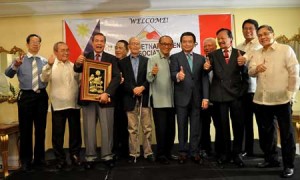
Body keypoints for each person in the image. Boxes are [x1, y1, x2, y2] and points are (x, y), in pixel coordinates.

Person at [249, 25, 299, 178]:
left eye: (265, 34)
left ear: (273, 34)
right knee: (265, 133)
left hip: (282, 99)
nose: (263, 37)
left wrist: (291, 95)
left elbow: (295, 73)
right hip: (261, 100)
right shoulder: (257, 53)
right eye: (260, 35)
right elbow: (250, 71)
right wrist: (257, 68)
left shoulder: (285, 50)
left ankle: (289, 165)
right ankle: (271, 159)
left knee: (286, 134)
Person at [74, 32, 120, 169]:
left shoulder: (111, 58)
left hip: (106, 100)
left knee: (107, 129)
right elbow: (77, 69)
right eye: (97, 41)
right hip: (88, 101)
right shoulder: (85, 57)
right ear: (92, 43)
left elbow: (117, 78)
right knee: (89, 129)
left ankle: (107, 156)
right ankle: (90, 157)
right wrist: (77, 63)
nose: (99, 43)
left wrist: (107, 93)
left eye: (102, 41)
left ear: (105, 44)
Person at [204, 28, 248, 167]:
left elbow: (246, 77)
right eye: (219, 38)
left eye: (223, 38)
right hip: (219, 96)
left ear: (231, 39)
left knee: (238, 126)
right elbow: (207, 70)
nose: (221, 40)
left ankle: (237, 154)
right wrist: (205, 67)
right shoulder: (213, 55)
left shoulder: (241, 54)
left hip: (236, 96)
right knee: (222, 127)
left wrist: (241, 92)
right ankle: (225, 154)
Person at [5, 34, 48, 171]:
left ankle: (40, 159)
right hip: (26, 97)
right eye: (33, 42)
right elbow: (8, 73)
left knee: (41, 129)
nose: (36, 44)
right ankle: (25, 161)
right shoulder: (20, 60)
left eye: (38, 42)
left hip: (41, 96)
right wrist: (15, 65)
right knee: (26, 130)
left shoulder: (44, 61)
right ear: (28, 44)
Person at [40, 42, 82, 169]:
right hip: (58, 105)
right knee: (58, 134)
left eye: (67, 50)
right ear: (56, 52)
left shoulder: (74, 66)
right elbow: (43, 79)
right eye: (62, 50)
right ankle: (60, 159)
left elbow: (81, 82)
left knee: (75, 133)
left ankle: (75, 156)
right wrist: (49, 65)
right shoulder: (50, 66)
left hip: (74, 104)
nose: (66, 53)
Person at [170, 32, 209, 164]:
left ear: (194, 43)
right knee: (181, 126)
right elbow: (172, 73)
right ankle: (182, 152)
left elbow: (204, 79)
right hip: (181, 98)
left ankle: (194, 152)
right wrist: (177, 76)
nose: (187, 44)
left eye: (190, 41)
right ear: (181, 43)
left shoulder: (201, 58)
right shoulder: (175, 57)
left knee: (196, 127)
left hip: (197, 98)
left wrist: (206, 97)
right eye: (184, 41)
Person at [119, 37, 154, 163]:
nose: (135, 46)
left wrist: (142, 87)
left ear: (140, 46)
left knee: (147, 127)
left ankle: (148, 152)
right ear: (129, 46)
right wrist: (133, 89)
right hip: (129, 98)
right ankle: (133, 153)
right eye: (132, 44)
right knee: (132, 128)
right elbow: (122, 81)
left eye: (137, 44)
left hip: (144, 97)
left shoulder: (147, 61)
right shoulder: (122, 62)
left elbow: (150, 77)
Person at [146, 35, 176, 164]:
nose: (166, 46)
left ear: (172, 46)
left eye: (169, 44)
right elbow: (149, 79)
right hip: (159, 100)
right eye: (164, 44)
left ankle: (168, 153)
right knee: (161, 130)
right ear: (158, 45)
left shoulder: (174, 59)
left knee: (171, 129)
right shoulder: (153, 59)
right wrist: (152, 73)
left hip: (173, 100)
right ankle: (161, 154)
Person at [237, 19, 262, 157]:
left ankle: (268, 152)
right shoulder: (239, 46)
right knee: (246, 122)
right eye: (245, 28)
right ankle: (248, 149)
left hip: (258, 89)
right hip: (244, 90)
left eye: (251, 28)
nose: (248, 31)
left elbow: (253, 57)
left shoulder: (260, 44)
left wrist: (245, 59)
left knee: (263, 122)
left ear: (256, 30)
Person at [199, 37, 217, 157]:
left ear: (215, 47)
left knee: (219, 126)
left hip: (217, 100)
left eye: (210, 45)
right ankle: (206, 149)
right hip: (203, 99)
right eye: (205, 46)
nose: (207, 48)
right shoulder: (200, 60)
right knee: (203, 126)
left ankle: (220, 149)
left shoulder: (220, 60)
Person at [113, 40, 129, 159]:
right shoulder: (111, 62)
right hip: (113, 99)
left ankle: (125, 150)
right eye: (116, 48)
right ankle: (115, 150)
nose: (117, 50)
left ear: (127, 50)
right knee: (114, 126)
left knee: (125, 126)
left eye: (120, 48)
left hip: (126, 99)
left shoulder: (128, 63)